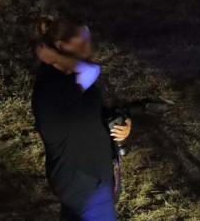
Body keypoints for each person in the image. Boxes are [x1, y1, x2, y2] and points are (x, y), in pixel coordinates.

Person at [31, 15, 131, 221]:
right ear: (61, 46)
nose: (88, 48)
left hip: (93, 176)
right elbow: (91, 71)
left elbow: (95, 112)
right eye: (82, 42)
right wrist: (56, 57)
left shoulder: (73, 77)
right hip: (82, 181)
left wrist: (123, 124)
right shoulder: (52, 87)